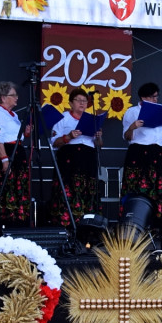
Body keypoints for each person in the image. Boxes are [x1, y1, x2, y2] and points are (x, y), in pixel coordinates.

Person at [121, 82, 162, 219]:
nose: (155, 100)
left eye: (157, 97)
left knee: (159, 188)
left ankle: (158, 221)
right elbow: (127, 137)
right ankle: (134, 219)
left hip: (160, 152)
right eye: (152, 97)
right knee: (138, 189)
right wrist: (132, 127)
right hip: (139, 153)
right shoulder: (132, 112)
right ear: (143, 98)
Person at [49, 89, 102, 227]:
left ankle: (89, 226)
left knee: (88, 192)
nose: (82, 103)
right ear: (71, 103)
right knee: (68, 191)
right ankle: (66, 226)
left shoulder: (92, 119)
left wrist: (98, 137)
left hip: (88, 159)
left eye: (84, 101)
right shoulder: (62, 118)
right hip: (69, 160)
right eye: (78, 100)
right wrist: (69, 137)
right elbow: (54, 142)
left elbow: (99, 145)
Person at [0, 81, 33, 231]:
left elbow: (13, 134)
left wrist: (26, 132)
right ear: (3, 97)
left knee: (17, 191)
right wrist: (5, 160)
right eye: (13, 95)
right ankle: (1, 228)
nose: (17, 98)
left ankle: (17, 226)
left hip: (17, 152)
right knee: (5, 191)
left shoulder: (13, 115)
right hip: (5, 154)